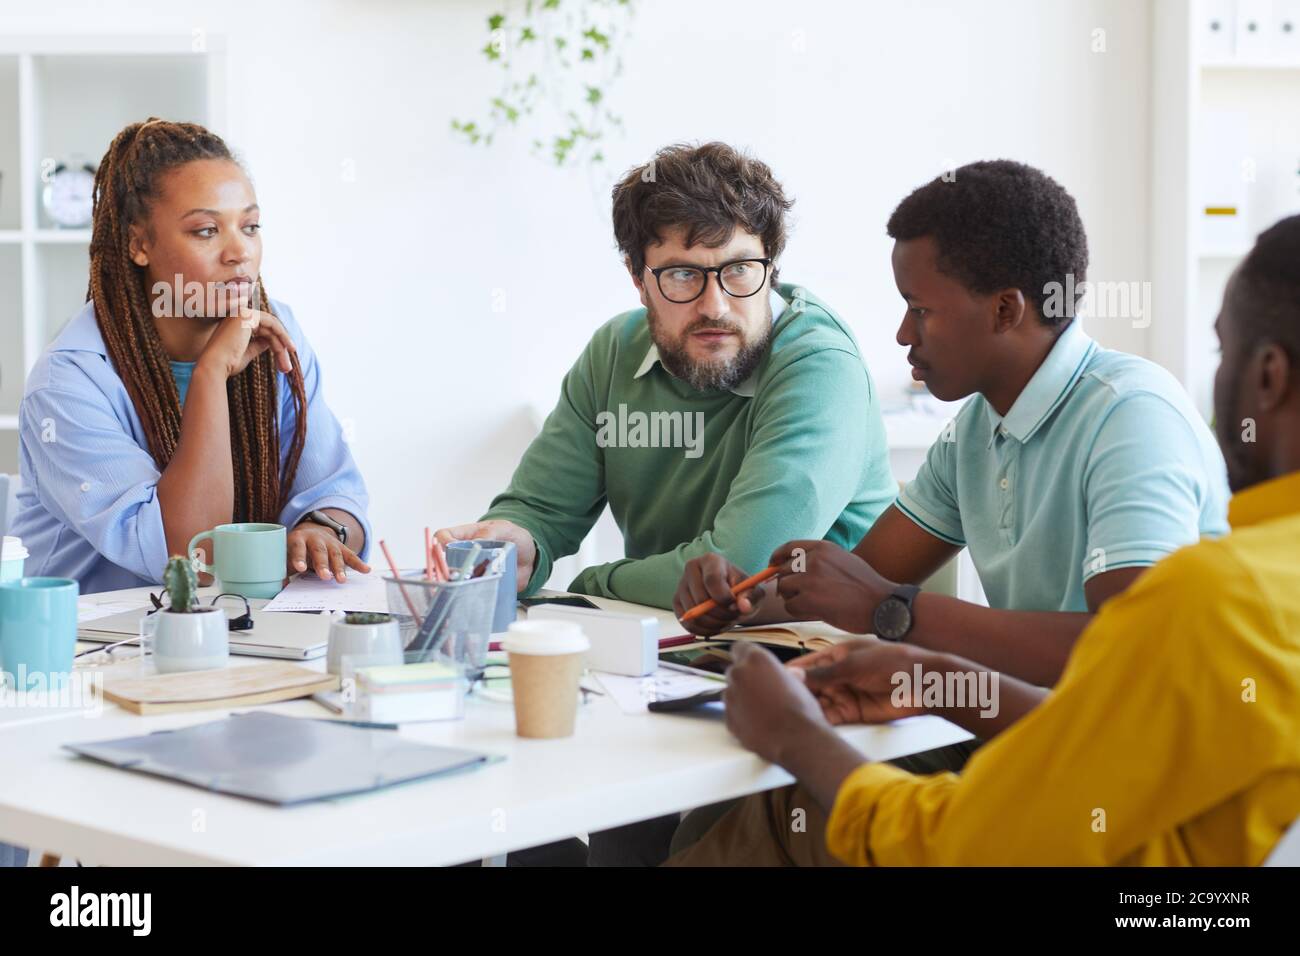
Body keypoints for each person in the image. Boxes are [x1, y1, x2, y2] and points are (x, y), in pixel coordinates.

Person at [675, 213, 1300, 866]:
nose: (900, 333)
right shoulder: (978, 428)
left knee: (787, 809)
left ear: (1268, 377)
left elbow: (955, 845)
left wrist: (800, 731)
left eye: (920, 309)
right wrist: (751, 597)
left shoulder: (1149, 447)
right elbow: (1131, 722)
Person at [436, 141, 897, 614]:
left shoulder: (821, 365)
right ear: (638, 279)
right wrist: (519, 542)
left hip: (821, 654)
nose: (715, 306)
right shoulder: (614, 351)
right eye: (682, 275)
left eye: (739, 269)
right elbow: (541, 509)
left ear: (772, 266)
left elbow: (737, 570)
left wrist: (593, 584)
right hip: (671, 647)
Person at [11, 118, 372, 594]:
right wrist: (210, 377)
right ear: (140, 244)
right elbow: (189, 558)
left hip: (231, 630)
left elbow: (334, 488)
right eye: (205, 230)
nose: (239, 251)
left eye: (250, 225)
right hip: (95, 647)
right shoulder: (69, 381)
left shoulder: (271, 331)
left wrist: (321, 530)